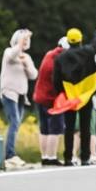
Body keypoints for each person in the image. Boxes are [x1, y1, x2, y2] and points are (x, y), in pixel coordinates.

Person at [52, 23, 96, 167]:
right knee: (85, 128)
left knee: (69, 128)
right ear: (80, 39)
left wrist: (62, 93)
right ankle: (85, 157)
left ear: (69, 41)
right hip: (86, 95)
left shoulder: (60, 58)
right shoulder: (87, 52)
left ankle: (68, 158)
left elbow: (56, 79)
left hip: (70, 97)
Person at [0, 28, 38, 167]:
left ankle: (11, 153)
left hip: (22, 95)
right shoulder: (9, 52)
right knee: (14, 122)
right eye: (24, 40)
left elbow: (34, 75)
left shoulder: (26, 57)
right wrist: (22, 40)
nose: (26, 42)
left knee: (16, 124)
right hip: (9, 92)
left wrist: (26, 64)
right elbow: (12, 55)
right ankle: (10, 154)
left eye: (27, 40)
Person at [34, 35, 70, 165]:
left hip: (39, 96)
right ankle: (51, 157)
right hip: (51, 98)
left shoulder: (49, 54)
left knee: (44, 128)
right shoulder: (61, 58)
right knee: (55, 128)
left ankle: (44, 156)